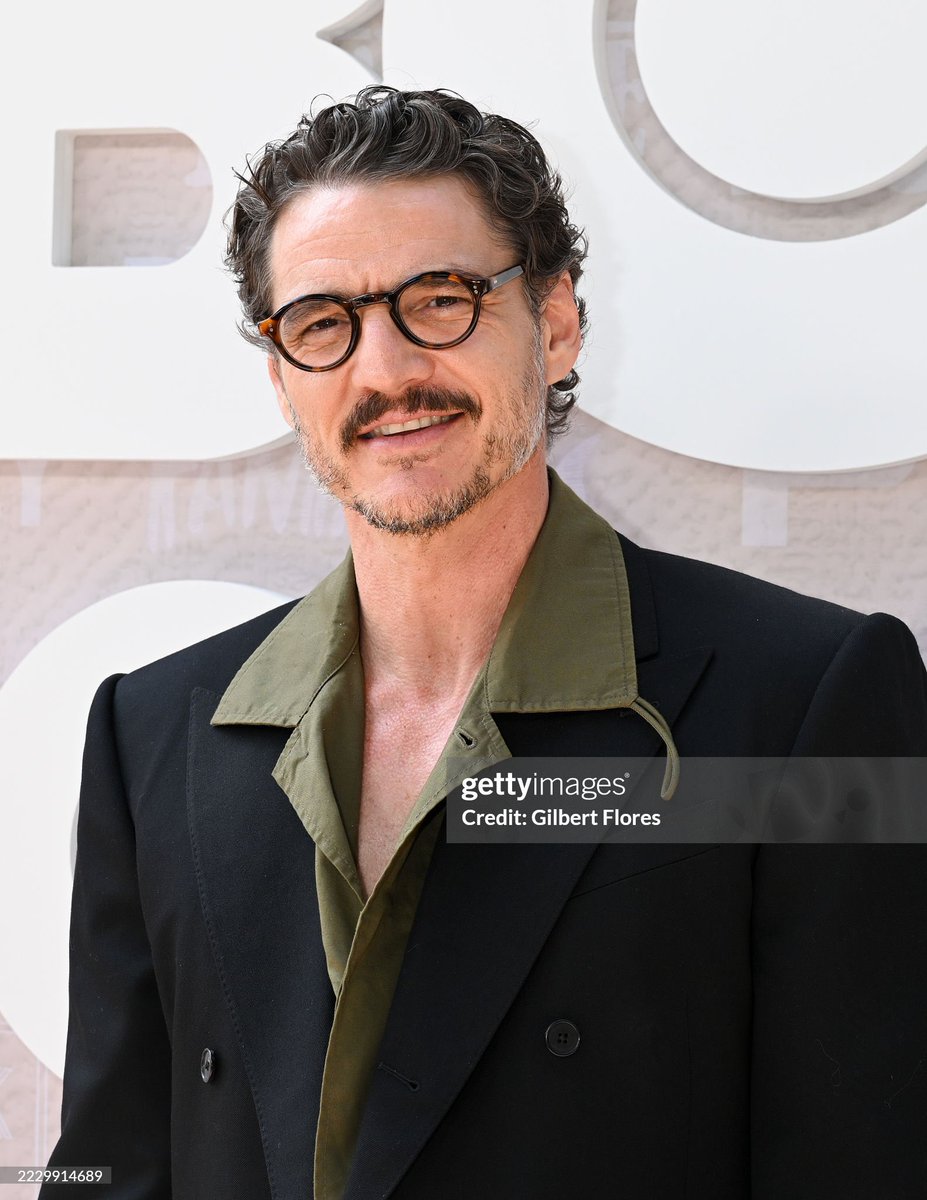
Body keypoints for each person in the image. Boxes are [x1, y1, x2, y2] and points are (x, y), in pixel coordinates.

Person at [43, 87, 927, 1199]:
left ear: (555, 324)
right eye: (323, 324)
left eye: (442, 299)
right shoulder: (151, 732)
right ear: (281, 377)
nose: (384, 370)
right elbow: (105, 1170)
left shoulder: (808, 704)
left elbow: (865, 1164)